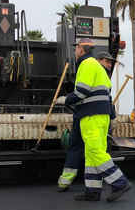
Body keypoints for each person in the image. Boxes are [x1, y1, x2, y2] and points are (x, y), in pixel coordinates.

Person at [56, 40, 130, 201]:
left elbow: (82, 92)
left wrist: (65, 100)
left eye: (76, 48)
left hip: (91, 117)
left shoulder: (86, 64)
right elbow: (106, 95)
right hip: (101, 116)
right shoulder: (99, 69)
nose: (75, 51)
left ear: (81, 49)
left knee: (96, 152)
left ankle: (120, 182)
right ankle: (93, 190)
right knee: (91, 153)